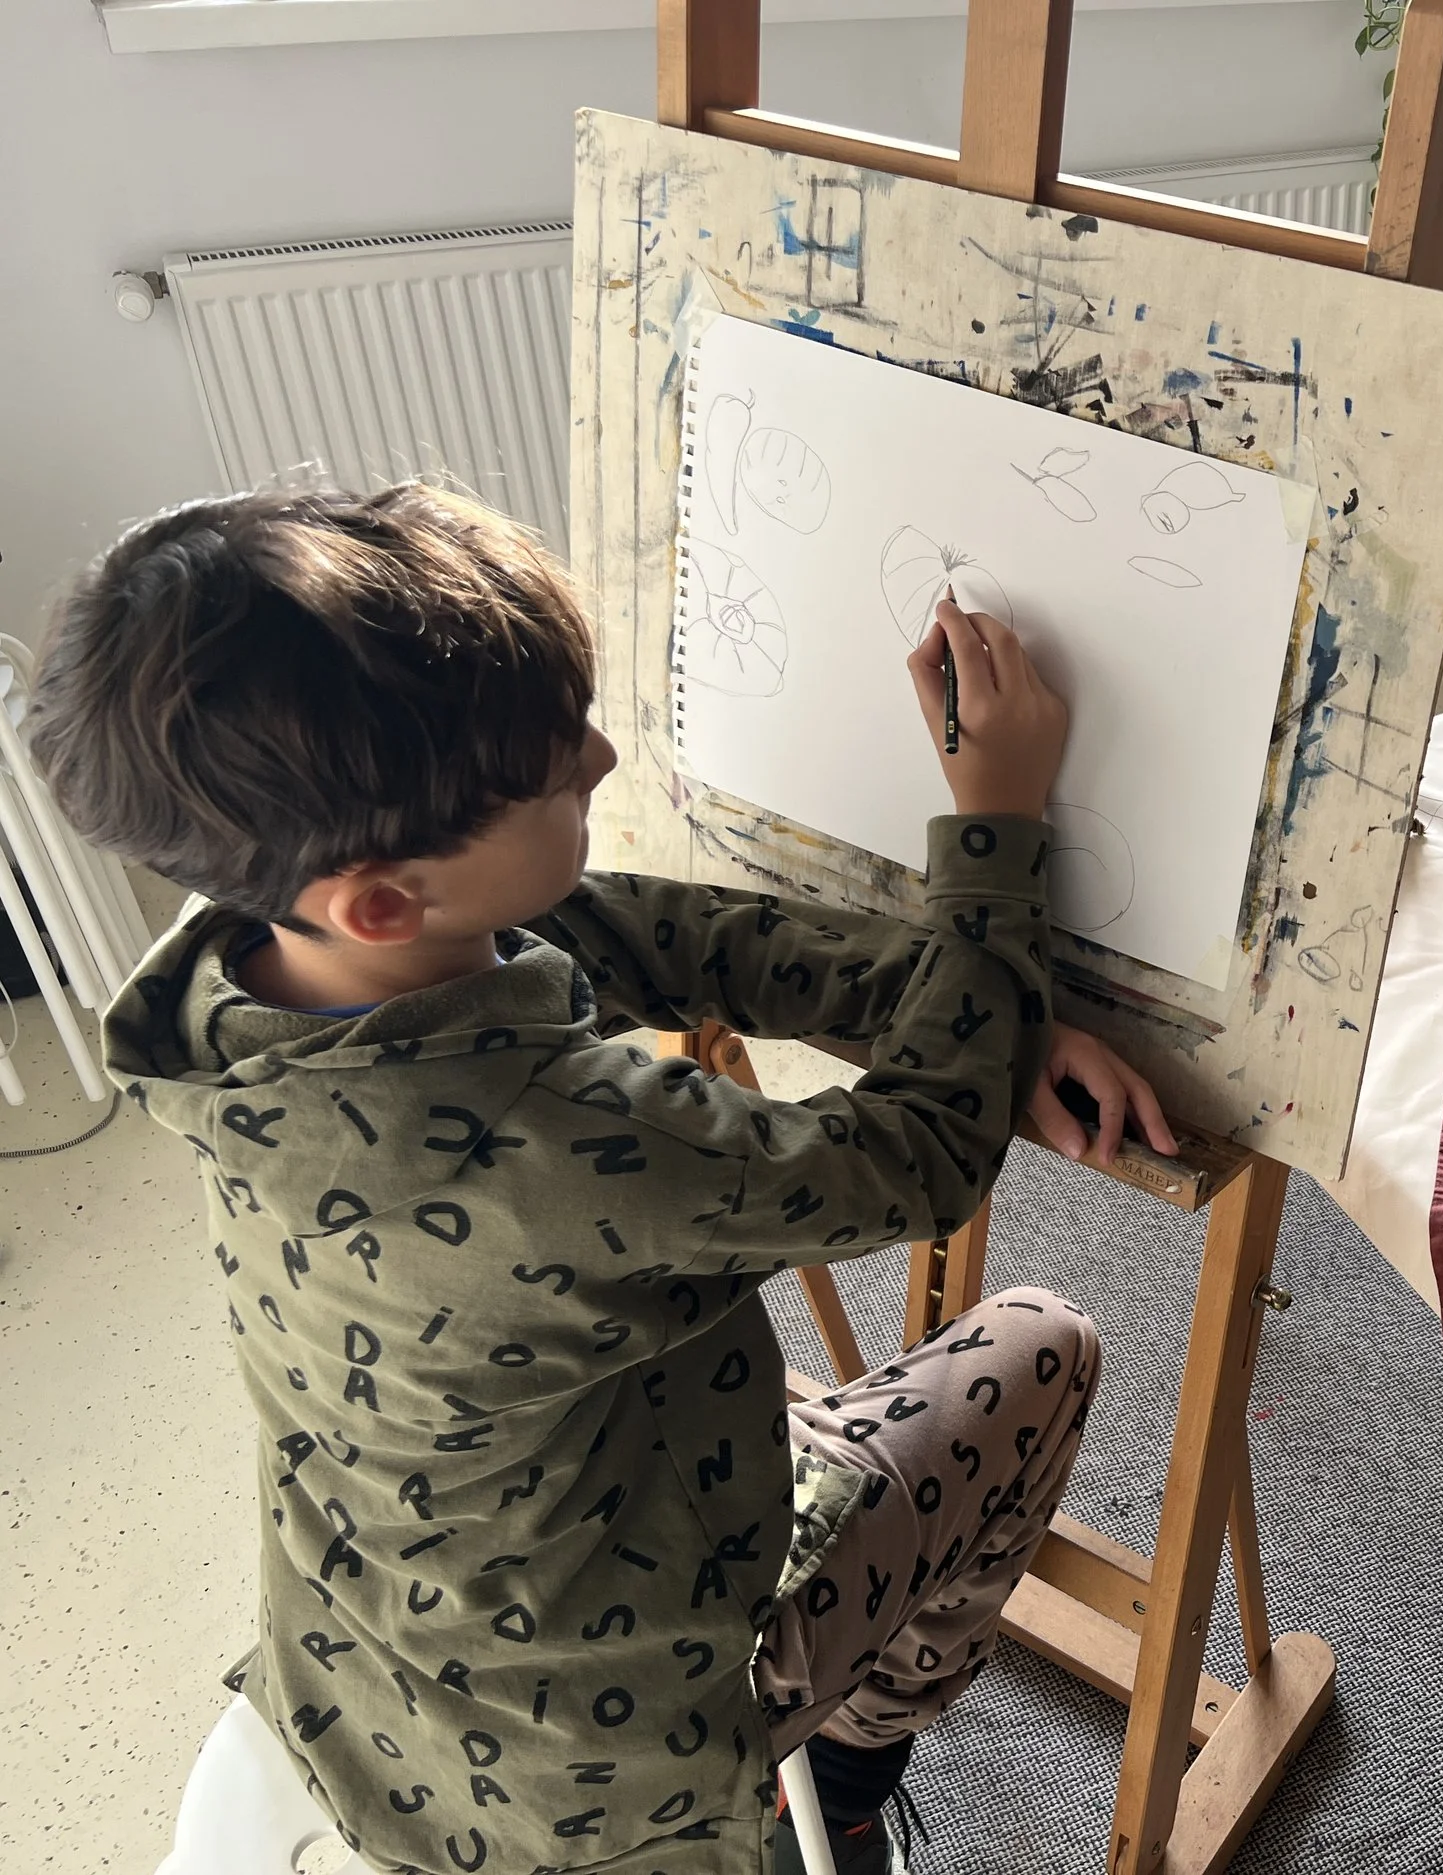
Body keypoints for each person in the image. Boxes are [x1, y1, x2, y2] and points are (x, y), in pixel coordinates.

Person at [29, 482, 1177, 1875]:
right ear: (383, 897)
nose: (604, 752)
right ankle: (856, 1771)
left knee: (807, 1377)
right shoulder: (561, 1138)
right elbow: (918, 1158)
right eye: (552, 764)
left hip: (383, 1655)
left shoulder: (249, 981)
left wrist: (982, 996)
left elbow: (650, 930)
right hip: (618, 1737)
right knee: (1041, 1348)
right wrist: (995, 837)